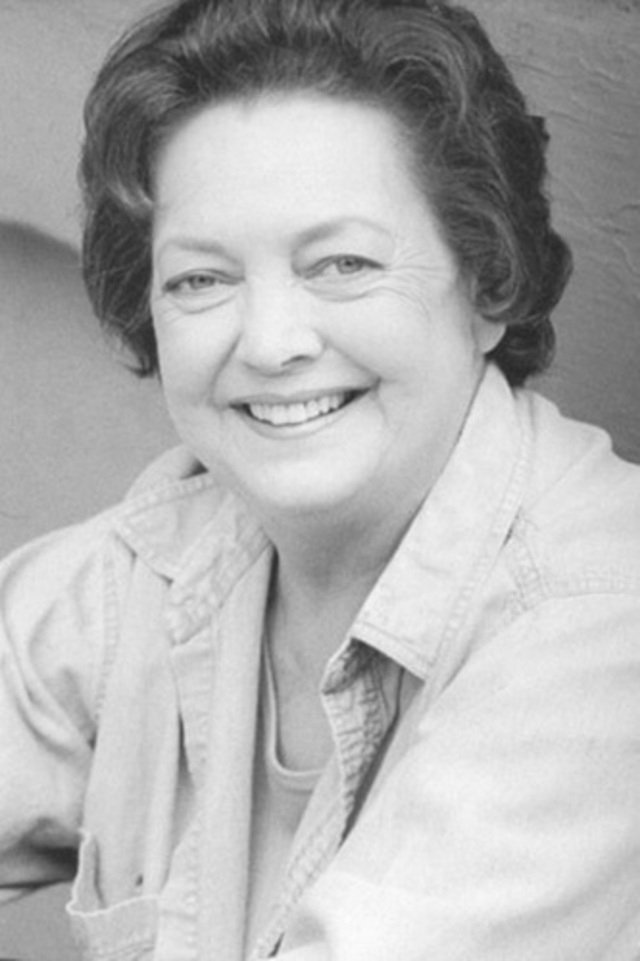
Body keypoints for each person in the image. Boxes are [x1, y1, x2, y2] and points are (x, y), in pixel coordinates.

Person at [2, 0, 640, 958]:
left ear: (487, 282)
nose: (270, 343)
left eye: (343, 263)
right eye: (201, 279)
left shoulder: (601, 627)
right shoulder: (169, 556)